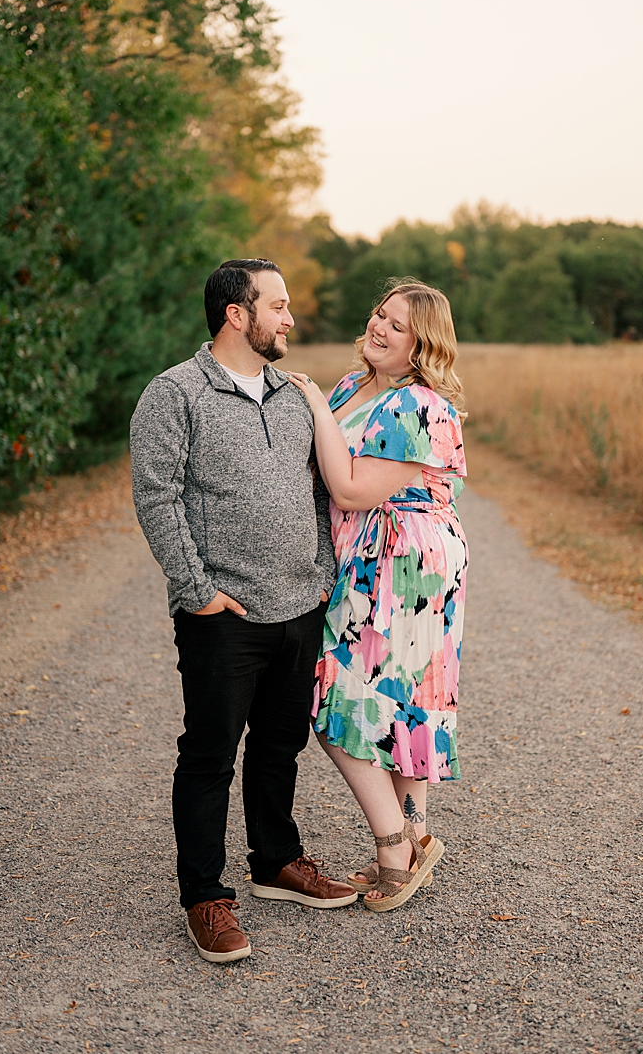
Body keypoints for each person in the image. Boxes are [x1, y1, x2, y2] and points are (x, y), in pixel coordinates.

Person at [130, 258, 358, 966]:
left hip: (299, 603)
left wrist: (321, 572)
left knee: (279, 744)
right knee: (209, 754)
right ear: (238, 313)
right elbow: (156, 496)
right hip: (221, 612)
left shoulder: (292, 396)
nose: (290, 319)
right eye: (279, 306)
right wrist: (196, 589)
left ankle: (277, 860)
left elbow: (317, 492)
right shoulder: (174, 394)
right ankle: (204, 893)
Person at [286, 277, 467, 912]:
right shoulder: (350, 386)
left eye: (397, 324)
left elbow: (353, 491)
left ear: (421, 344)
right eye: (378, 315)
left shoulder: (419, 405)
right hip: (369, 555)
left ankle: (393, 845)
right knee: (393, 699)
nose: (379, 327)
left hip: (407, 560)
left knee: (340, 696)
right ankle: (414, 838)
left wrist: (308, 403)